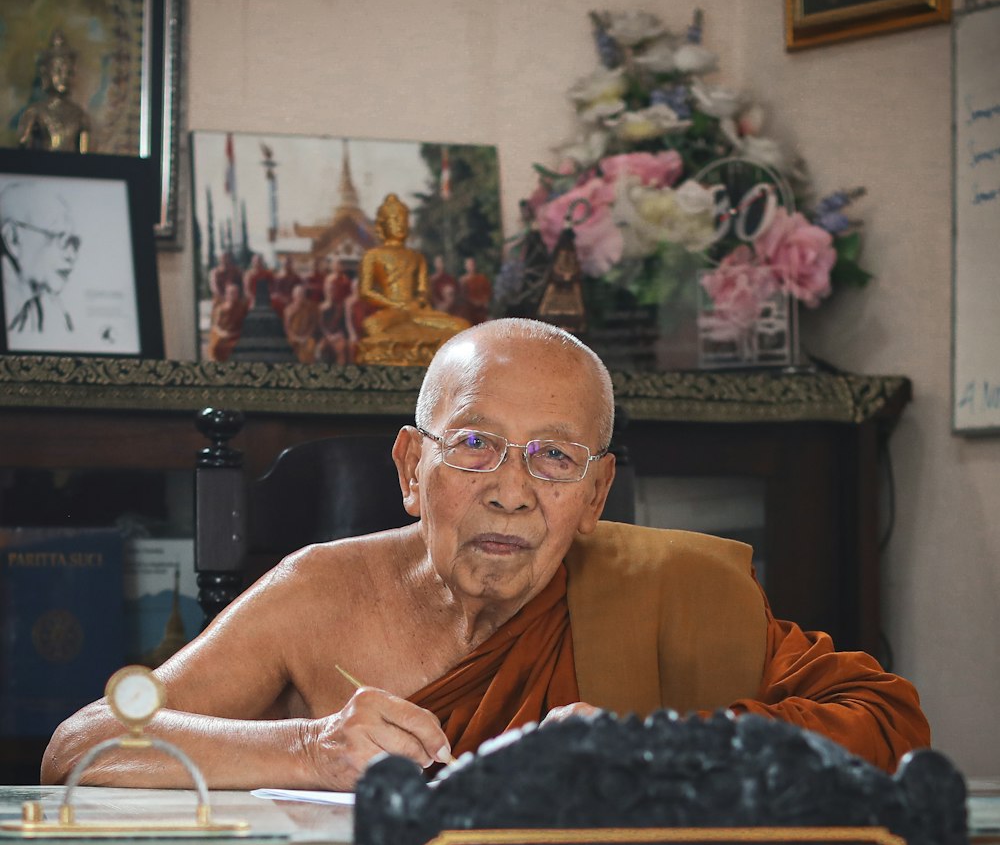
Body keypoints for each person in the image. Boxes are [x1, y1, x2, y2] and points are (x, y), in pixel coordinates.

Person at [41, 317, 930, 790]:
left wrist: (650, 750)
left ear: (594, 496)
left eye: (553, 457)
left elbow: (887, 721)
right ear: (410, 468)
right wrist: (309, 749)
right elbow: (83, 744)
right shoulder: (316, 593)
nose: (511, 488)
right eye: (473, 445)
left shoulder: (668, 594)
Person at [355, 194, 469, 362]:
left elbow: (423, 292)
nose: (400, 223)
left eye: (403, 219)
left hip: (416, 312)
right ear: (383, 224)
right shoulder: (373, 256)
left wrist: (416, 303)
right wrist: (394, 304)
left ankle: (423, 348)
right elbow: (365, 291)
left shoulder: (416, 257)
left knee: (462, 327)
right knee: (372, 327)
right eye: (394, 219)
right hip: (392, 311)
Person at [0, 180, 81, 335]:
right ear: (13, 239)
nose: (71, 256)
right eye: (59, 237)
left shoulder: (53, 314)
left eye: (73, 242)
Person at [18, 30, 91, 153]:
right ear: (46, 73)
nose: (63, 77)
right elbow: (23, 149)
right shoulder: (35, 112)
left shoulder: (80, 116)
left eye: (67, 72)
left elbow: (84, 158)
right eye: (57, 71)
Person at [204, 281, 248, 362]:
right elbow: (215, 326)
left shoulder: (242, 307)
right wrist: (223, 334)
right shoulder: (221, 309)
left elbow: (245, 325)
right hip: (222, 336)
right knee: (216, 348)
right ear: (226, 295)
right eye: (231, 293)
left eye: (235, 293)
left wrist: (236, 334)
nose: (233, 295)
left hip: (236, 336)